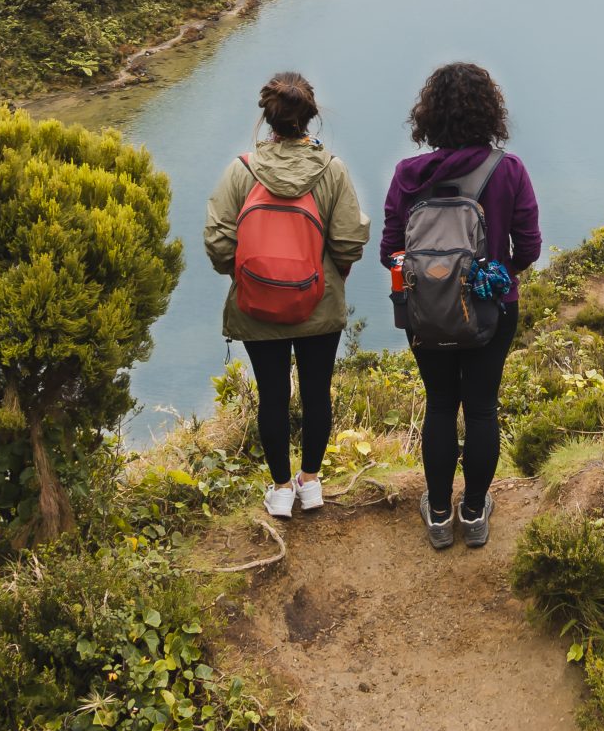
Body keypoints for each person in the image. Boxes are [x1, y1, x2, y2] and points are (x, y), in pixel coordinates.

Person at [382, 60, 541, 549]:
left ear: (429, 116)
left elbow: (390, 248)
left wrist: (431, 279)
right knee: (481, 408)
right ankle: (473, 513)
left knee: (440, 404)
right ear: (490, 112)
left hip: (425, 312)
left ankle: (435, 512)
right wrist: (492, 274)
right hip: (492, 311)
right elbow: (529, 247)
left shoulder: (409, 175)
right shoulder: (506, 169)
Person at [204, 72, 369, 520]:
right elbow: (350, 241)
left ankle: (280, 489)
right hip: (319, 302)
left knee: (272, 395)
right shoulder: (332, 170)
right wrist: (332, 276)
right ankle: (311, 483)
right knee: (317, 393)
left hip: (257, 308)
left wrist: (248, 276)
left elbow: (218, 241)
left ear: (268, 118)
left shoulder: (240, 171)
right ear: (311, 118)